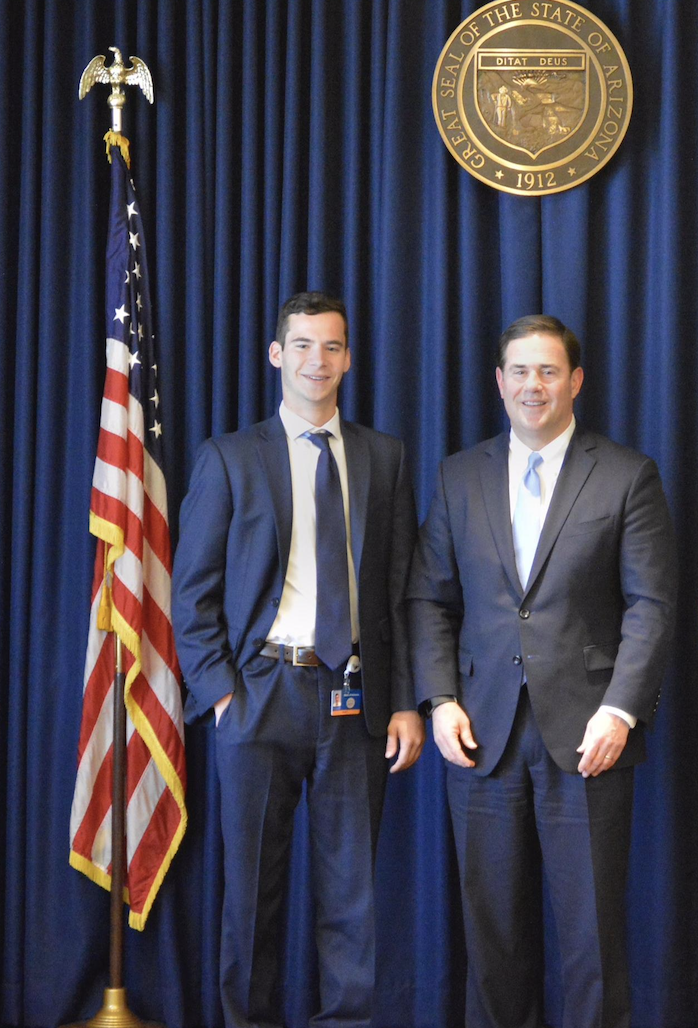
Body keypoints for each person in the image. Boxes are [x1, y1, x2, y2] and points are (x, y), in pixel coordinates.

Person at [408, 316, 677, 1028]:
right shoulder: (458, 475)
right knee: (493, 939)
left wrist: (620, 710)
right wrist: (439, 699)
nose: (534, 386)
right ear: (499, 383)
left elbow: (651, 606)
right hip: (480, 738)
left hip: (590, 739)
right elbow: (429, 598)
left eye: (549, 371)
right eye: (520, 372)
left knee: (590, 940)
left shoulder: (627, 475)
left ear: (576, 382)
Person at [172, 291, 424, 1028]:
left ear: (349, 358)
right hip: (258, 696)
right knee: (253, 892)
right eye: (304, 346)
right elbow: (193, 594)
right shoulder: (229, 457)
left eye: (333, 347)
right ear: (278, 354)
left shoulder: (385, 457)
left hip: (356, 698)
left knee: (353, 896)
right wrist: (222, 695)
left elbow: (401, 592)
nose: (319, 361)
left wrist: (405, 700)